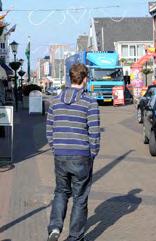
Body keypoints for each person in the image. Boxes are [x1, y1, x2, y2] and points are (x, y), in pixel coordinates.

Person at [46, 63, 101, 241]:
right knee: (80, 197)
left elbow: (49, 129)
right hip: (81, 155)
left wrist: (56, 148)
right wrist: (92, 152)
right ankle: (75, 237)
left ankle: (54, 228)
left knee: (61, 192)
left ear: (70, 78)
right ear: (85, 79)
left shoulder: (55, 101)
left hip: (60, 155)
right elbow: (94, 131)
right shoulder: (90, 102)